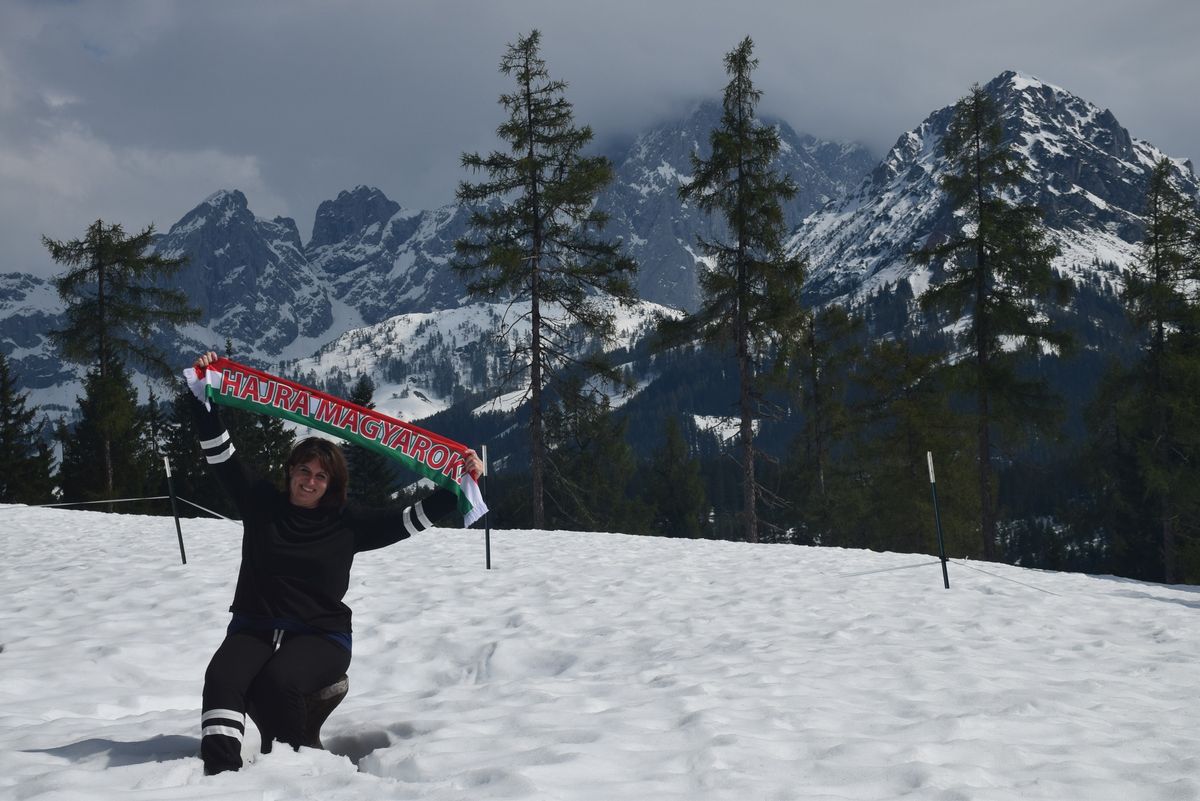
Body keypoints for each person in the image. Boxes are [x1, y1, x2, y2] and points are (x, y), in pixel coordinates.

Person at [189, 351, 482, 775]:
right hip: (254, 626)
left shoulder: (347, 522)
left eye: (320, 476)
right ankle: (220, 776)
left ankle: (294, 772)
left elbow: (408, 520)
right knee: (222, 679)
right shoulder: (261, 504)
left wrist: (459, 484)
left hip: (321, 636)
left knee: (278, 683)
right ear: (290, 471)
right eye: (303, 470)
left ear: (331, 484)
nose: (309, 480)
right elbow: (220, 454)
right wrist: (204, 394)